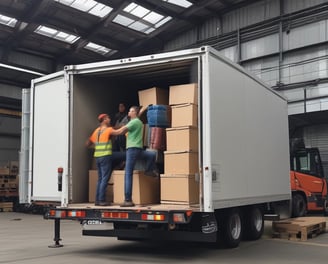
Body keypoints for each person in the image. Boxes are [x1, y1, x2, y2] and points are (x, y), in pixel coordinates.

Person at [113, 106, 158, 207]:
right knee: (152, 154)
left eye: (131, 110)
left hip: (132, 149)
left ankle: (127, 199)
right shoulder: (137, 121)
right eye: (129, 110)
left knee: (128, 173)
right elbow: (139, 113)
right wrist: (145, 107)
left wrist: (108, 130)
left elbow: (120, 131)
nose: (129, 111)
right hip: (138, 149)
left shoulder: (133, 122)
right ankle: (149, 170)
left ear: (134, 113)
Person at [86, 113, 114, 206]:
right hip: (105, 156)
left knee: (100, 179)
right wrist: (125, 127)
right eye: (108, 118)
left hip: (97, 157)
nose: (109, 119)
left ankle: (97, 200)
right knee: (105, 179)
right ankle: (102, 200)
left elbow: (87, 144)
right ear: (105, 119)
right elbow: (119, 132)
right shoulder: (108, 130)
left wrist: (95, 145)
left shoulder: (96, 131)